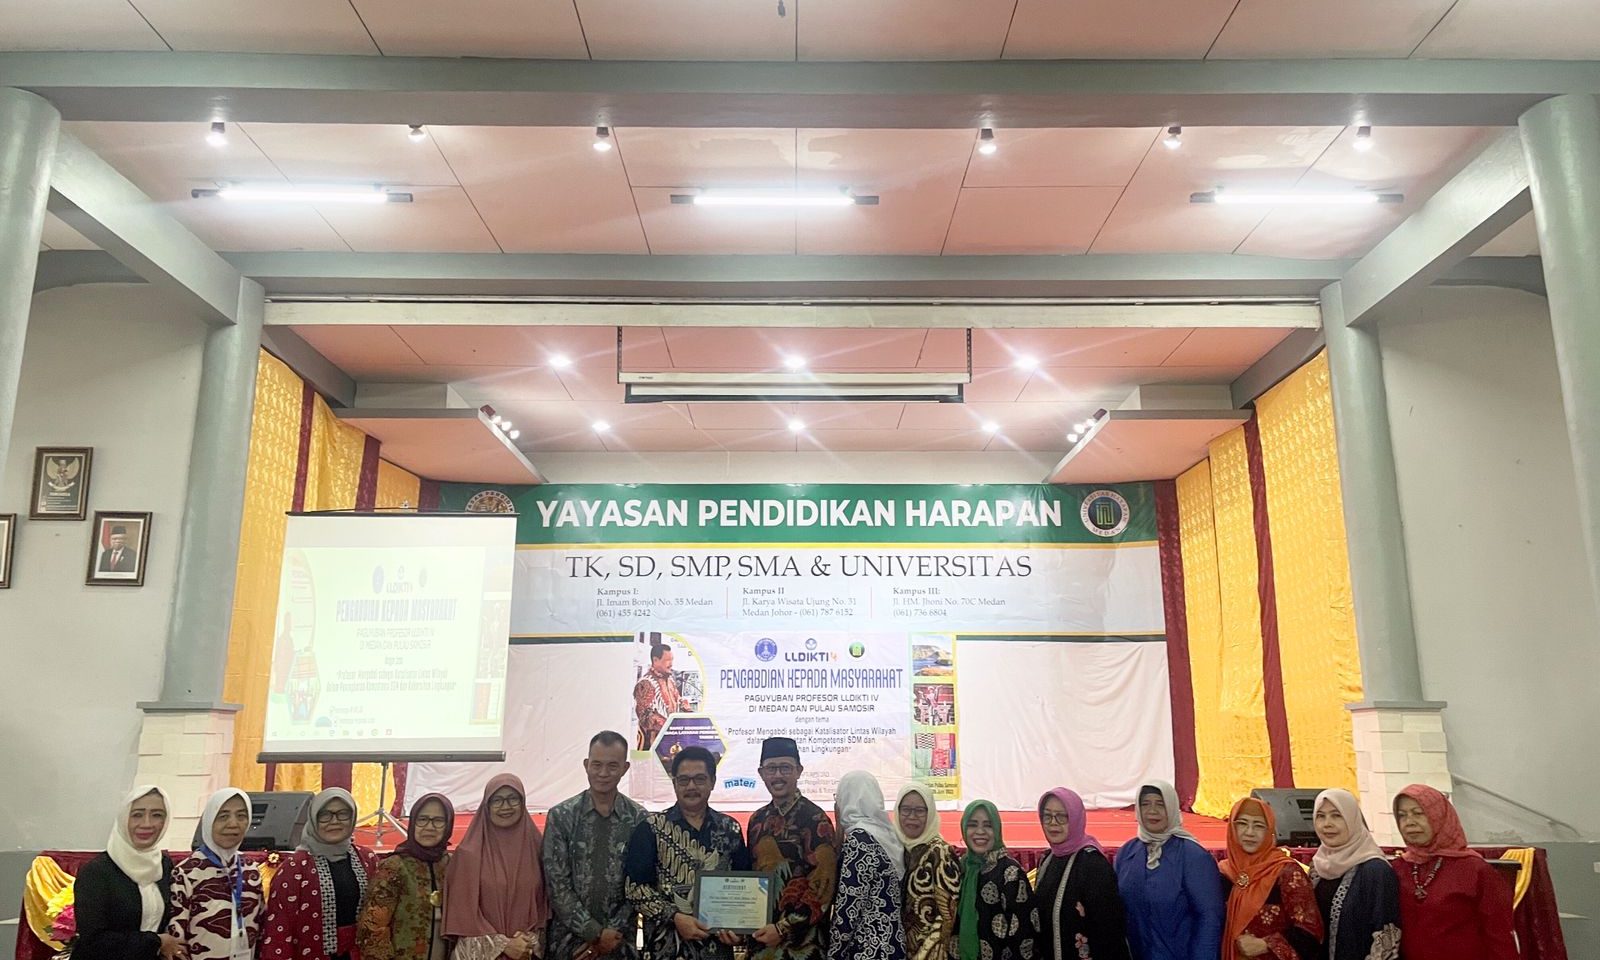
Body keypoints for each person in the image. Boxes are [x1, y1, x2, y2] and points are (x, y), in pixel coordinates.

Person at [625, 746, 750, 960]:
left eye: (700, 779)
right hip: (666, 949)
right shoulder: (651, 828)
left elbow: (745, 886)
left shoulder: (730, 829)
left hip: (717, 950)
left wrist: (739, 928)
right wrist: (674, 917)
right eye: (684, 780)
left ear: (712, 781)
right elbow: (635, 889)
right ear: (674, 783)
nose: (691, 786)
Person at [544, 731, 646, 960]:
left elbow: (640, 884)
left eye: (612, 766)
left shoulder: (639, 819)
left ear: (625, 768)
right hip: (569, 943)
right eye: (597, 765)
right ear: (586, 765)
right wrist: (594, 934)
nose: (603, 773)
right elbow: (557, 886)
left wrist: (610, 936)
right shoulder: (561, 816)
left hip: (620, 943)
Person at [1390, 785, 1516, 960]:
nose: (1409, 822)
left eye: (1418, 813)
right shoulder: (1399, 868)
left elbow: (1499, 936)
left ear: (1439, 816)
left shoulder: (1474, 869)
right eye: (1402, 815)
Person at [746, 737, 838, 960]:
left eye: (785, 768)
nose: (778, 775)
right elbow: (750, 880)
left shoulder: (816, 820)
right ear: (761, 773)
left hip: (805, 945)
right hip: (761, 943)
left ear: (799, 770)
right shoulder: (757, 820)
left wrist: (782, 929)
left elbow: (823, 891)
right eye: (771, 769)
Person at [261, 788, 377, 960]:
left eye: (343, 814)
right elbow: (279, 928)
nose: (334, 821)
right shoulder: (295, 867)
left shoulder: (367, 859)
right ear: (313, 818)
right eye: (325, 815)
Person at [1113, 780, 1224, 960]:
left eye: (1160, 804)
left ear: (1172, 808)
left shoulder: (1193, 856)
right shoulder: (1127, 852)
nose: (1152, 811)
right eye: (1145, 804)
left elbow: (1209, 917)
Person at [445, 775, 550, 960]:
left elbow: (547, 906)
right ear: (486, 805)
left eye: (513, 799)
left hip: (528, 952)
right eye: (497, 800)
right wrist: (504, 945)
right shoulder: (467, 855)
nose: (505, 806)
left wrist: (528, 942)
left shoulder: (538, 850)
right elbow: (462, 915)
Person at [74, 786, 181, 960]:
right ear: (124, 818)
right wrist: (156, 941)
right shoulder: (97, 871)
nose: (147, 823)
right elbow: (94, 940)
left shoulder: (164, 865)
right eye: (137, 814)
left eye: (157, 815)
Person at [1220, 798, 1322, 960]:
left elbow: (1311, 931)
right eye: (1242, 824)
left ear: (1270, 831)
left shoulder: (1286, 872)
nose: (1250, 832)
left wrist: (1266, 944)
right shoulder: (1223, 873)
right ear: (1232, 828)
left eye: (1259, 825)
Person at [170, 789, 266, 960]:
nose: (233, 824)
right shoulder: (187, 872)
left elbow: (260, 929)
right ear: (209, 820)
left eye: (241, 816)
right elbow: (176, 941)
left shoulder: (251, 869)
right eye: (223, 816)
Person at [1033, 787, 1128, 960]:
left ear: (1076, 818)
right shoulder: (1047, 859)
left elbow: (1109, 932)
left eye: (1062, 816)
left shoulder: (1092, 864)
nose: (1053, 823)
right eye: (1047, 816)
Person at [356, 793, 454, 960]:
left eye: (438, 820)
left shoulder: (451, 864)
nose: (429, 827)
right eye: (422, 819)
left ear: (448, 825)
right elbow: (372, 927)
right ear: (412, 822)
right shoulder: (394, 866)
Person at [1307, 789, 1399, 960]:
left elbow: (1386, 937)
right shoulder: (1318, 867)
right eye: (1321, 816)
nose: (1327, 824)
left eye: (1337, 816)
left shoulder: (1376, 871)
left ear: (1353, 819)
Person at [827, 772, 907, 960]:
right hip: (892, 944)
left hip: (866, 949)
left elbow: (848, 910)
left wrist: (834, 953)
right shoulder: (889, 835)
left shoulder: (859, 842)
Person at [955, 800, 1036, 960]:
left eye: (988, 825)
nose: (980, 831)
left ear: (997, 830)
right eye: (972, 825)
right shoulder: (961, 869)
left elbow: (1024, 936)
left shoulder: (1010, 873)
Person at [893, 784, 959, 960]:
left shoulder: (940, 852)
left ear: (930, 812)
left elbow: (947, 915)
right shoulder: (895, 849)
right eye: (906, 810)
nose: (912, 817)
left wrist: (923, 954)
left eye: (920, 811)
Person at [633, 643, 682, 750]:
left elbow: (679, 702)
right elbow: (645, 717)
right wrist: (669, 726)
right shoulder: (646, 683)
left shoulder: (670, 681)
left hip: (672, 743)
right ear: (655, 660)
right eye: (667, 660)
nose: (671, 664)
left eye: (672, 660)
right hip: (652, 747)